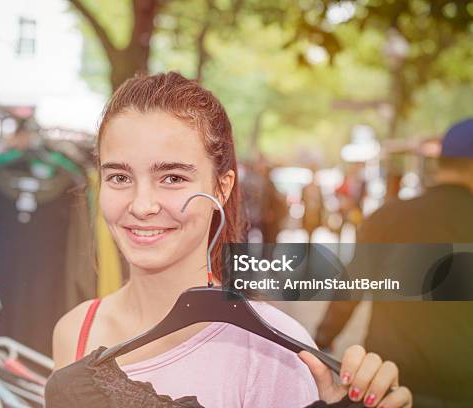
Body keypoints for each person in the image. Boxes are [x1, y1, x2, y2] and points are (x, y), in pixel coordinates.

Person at [50, 72, 412, 407]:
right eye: (119, 177)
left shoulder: (275, 350)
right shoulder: (74, 330)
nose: (142, 205)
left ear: (222, 188)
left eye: (173, 178)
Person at [315, 118, 473, 407]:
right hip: (461, 388)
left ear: (440, 162)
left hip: (387, 383)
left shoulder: (388, 217)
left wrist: (322, 338)